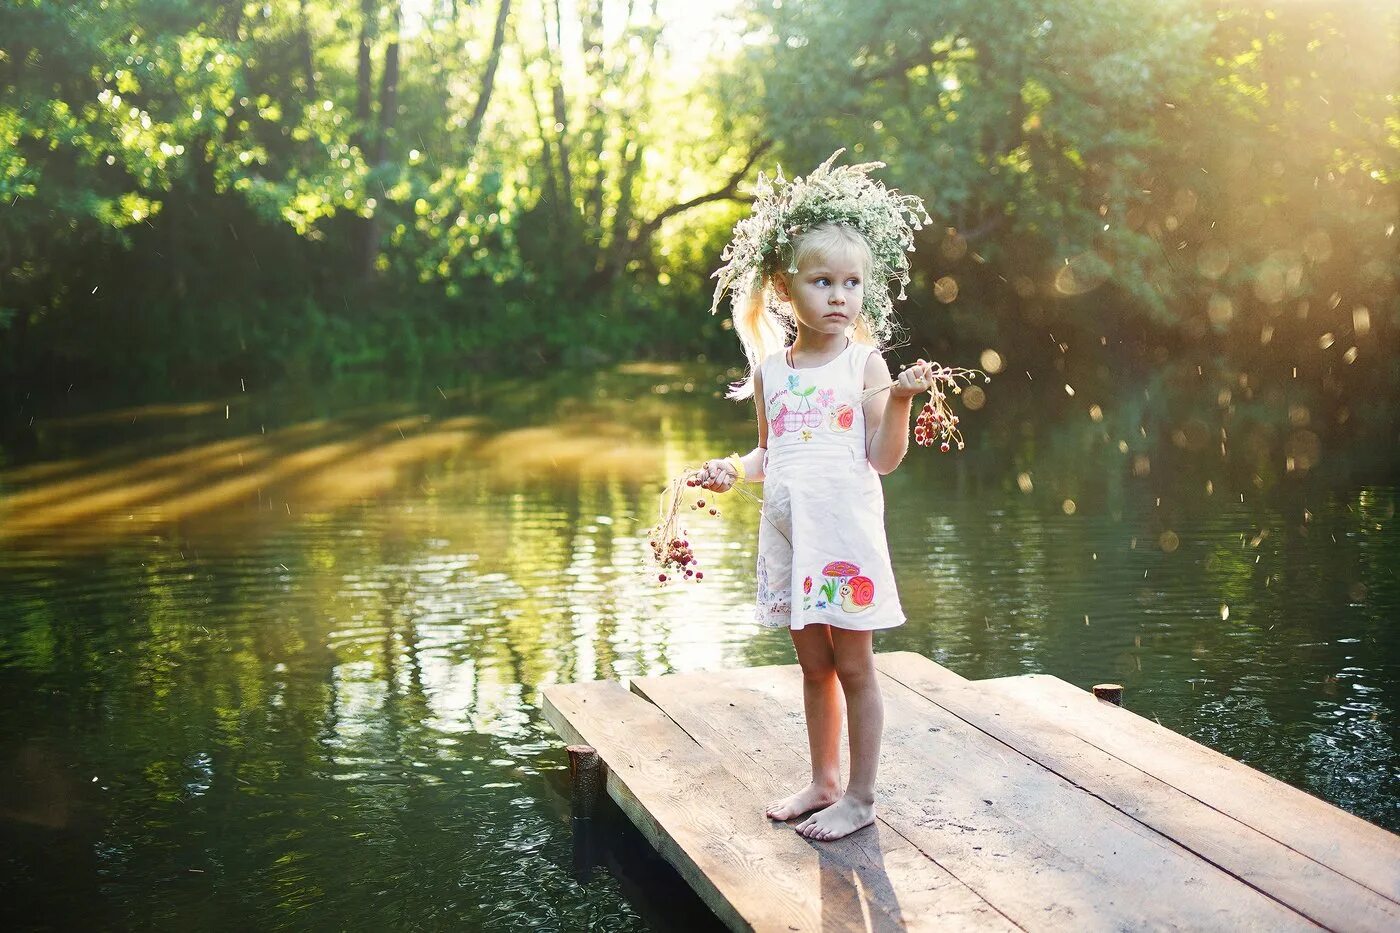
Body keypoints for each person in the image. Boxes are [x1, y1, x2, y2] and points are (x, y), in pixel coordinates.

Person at [694, 150, 936, 842]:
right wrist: (731, 471)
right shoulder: (774, 370)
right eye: (823, 280)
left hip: (845, 540)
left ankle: (861, 795)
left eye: (852, 282)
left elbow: (883, 460)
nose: (839, 295)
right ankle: (824, 779)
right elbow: (772, 455)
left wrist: (902, 404)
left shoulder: (865, 363)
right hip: (793, 536)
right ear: (783, 284)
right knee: (813, 664)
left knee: (855, 665)